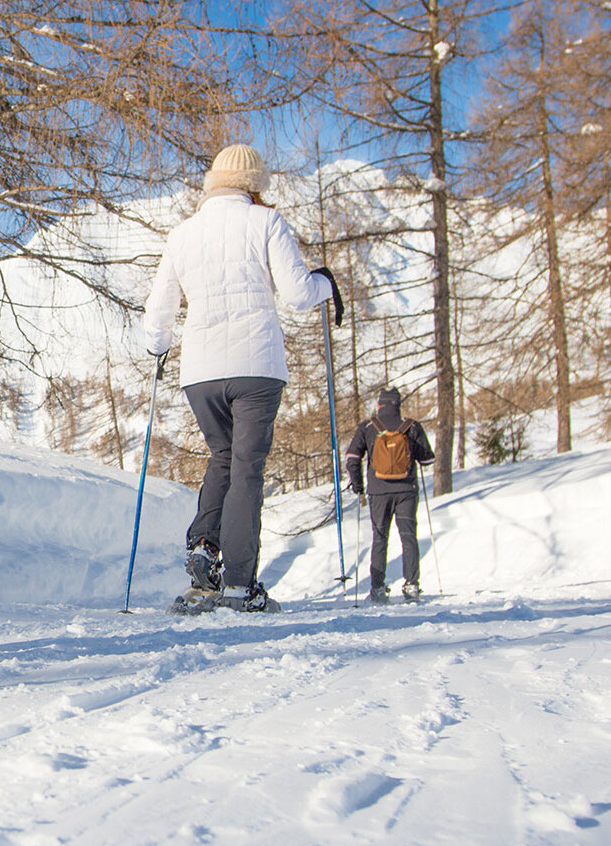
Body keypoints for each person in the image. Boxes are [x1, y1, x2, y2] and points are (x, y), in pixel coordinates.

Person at [143, 143, 342, 611]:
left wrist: (157, 347)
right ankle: (238, 583)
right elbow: (297, 294)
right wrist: (325, 284)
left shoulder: (182, 235)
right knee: (247, 468)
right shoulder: (266, 221)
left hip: (201, 371)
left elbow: (159, 313)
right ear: (254, 184)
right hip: (256, 367)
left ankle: (203, 548)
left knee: (223, 456)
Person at [345, 387, 435, 603]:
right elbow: (428, 460)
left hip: (379, 492)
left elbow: (352, 459)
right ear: (398, 404)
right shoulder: (411, 427)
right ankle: (412, 585)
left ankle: (377, 588)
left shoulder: (369, 427)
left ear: (379, 405)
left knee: (380, 538)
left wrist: (359, 486)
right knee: (408, 537)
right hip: (406, 491)